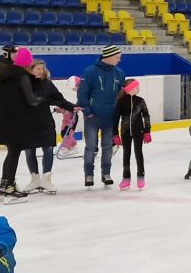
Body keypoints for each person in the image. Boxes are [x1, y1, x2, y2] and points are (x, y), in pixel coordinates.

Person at [76, 46, 127, 188]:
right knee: (91, 146)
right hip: (93, 116)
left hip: (110, 117)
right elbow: (82, 94)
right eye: (117, 57)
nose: (119, 59)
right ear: (109, 56)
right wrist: (88, 112)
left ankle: (106, 173)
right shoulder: (90, 71)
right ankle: (89, 175)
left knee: (107, 146)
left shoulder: (119, 73)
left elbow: (121, 94)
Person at [22, 60, 74, 195]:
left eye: (41, 69)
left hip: (45, 122)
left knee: (48, 149)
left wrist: (73, 107)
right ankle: (34, 179)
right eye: (37, 69)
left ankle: (46, 179)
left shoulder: (47, 83)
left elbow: (59, 99)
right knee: (29, 151)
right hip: (28, 123)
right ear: (30, 70)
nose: (40, 71)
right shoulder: (23, 84)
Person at [0, 47, 39, 200]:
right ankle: (8, 187)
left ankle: (4, 185)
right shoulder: (21, 76)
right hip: (16, 120)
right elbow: (31, 99)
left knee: (11, 153)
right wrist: (44, 100)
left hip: (5, 118)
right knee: (14, 153)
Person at [115, 79, 152, 191]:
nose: (139, 89)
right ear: (130, 88)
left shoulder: (140, 101)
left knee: (138, 153)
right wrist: (115, 134)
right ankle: (126, 178)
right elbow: (115, 119)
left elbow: (146, 116)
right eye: (137, 87)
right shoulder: (121, 102)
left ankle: (141, 176)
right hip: (125, 131)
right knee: (126, 154)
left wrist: (147, 131)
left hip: (139, 131)